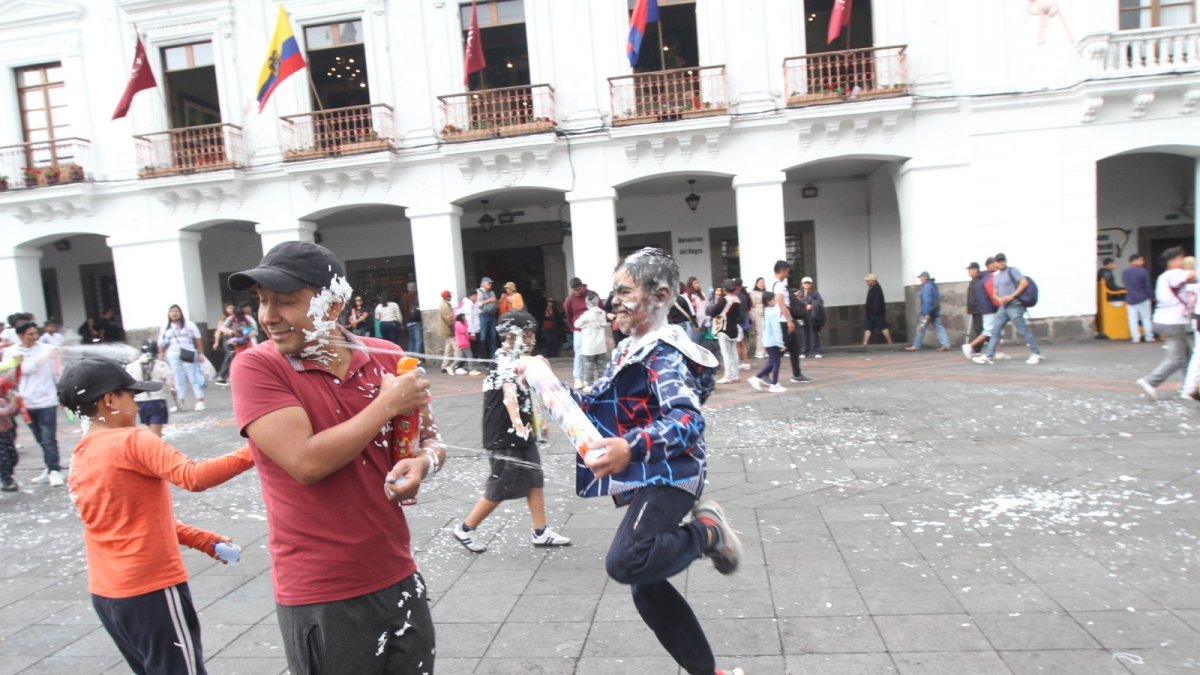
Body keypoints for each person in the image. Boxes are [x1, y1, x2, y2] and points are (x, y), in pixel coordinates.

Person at [228, 241, 442, 673]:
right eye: (262, 301)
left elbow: (432, 440)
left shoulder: (386, 358)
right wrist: (385, 406)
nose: (268, 316)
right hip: (322, 591)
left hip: (397, 572)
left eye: (285, 302)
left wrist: (421, 464)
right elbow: (306, 463)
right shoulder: (257, 367)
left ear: (333, 305)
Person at [558, 247, 743, 675]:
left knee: (626, 561)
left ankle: (708, 534)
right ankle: (706, 670)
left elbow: (686, 419)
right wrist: (545, 386)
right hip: (652, 473)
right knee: (645, 586)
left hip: (674, 474)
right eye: (613, 291)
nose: (612, 302)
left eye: (624, 292)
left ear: (659, 296)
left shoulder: (664, 351)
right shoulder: (630, 347)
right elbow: (593, 400)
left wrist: (630, 447)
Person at [58, 356, 252, 675]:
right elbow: (194, 476)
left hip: (109, 596)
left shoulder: (82, 453)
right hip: (150, 589)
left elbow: (128, 521)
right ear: (109, 400)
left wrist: (202, 540)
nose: (136, 405)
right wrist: (257, 449)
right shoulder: (133, 439)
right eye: (131, 397)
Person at [452, 310, 571, 553]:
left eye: (532, 335)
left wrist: (538, 421)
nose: (531, 340)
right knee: (502, 484)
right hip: (504, 435)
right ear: (510, 336)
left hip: (521, 433)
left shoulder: (517, 359)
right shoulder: (504, 362)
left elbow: (527, 393)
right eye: (526, 335)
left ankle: (541, 531)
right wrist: (519, 424)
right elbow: (509, 398)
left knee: (534, 479)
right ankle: (466, 528)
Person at [2, 322, 63, 486]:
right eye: (30, 334)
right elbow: (17, 372)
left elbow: (57, 372)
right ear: (21, 335)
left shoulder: (46, 348)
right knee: (40, 438)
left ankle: (54, 470)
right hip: (24, 402)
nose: (34, 337)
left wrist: (61, 392)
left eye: (36, 333)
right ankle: (49, 467)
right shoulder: (11, 352)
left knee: (48, 437)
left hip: (47, 400)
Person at [1136, 247, 1197, 400]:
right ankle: (1150, 381)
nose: (1183, 262)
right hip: (1172, 322)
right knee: (1176, 359)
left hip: (1163, 320)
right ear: (1174, 260)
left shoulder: (1163, 276)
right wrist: (1192, 268)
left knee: (1187, 355)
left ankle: (1188, 388)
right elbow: (1191, 275)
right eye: (1181, 259)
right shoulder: (1174, 274)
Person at [974, 253, 1045, 365]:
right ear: (995, 263)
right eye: (999, 261)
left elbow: (1024, 282)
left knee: (1023, 330)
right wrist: (999, 299)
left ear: (1006, 261)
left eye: (1003, 260)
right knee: (995, 330)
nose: (1001, 262)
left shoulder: (1013, 271)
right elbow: (995, 292)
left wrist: (1012, 296)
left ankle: (1036, 353)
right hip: (1004, 306)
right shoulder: (996, 277)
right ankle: (988, 356)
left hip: (1015, 305)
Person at [158, 305, 208, 412]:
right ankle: (180, 402)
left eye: (176, 311)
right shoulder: (165, 327)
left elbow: (198, 339)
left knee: (193, 377)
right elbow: (161, 345)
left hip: (188, 353)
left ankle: (200, 401)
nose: (174, 313)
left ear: (180, 313)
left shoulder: (189, 324)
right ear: (168, 314)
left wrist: (200, 354)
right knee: (177, 378)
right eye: (172, 311)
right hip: (172, 355)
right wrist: (161, 358)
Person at [771, 261, 811, 383]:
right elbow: (781, 303)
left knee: (794, 347)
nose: (788, 274)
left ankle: (797, 374)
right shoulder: (778, 285)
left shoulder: (777, 284)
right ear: (782, 270)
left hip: (783, 319)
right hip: (783, 320)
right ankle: (764, 373)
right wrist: (789, 321)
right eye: (787, 271)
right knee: (782, 348)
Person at [126, 341, 175, 437]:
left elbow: (127, 385)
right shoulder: (161, 365)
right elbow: (171, 384)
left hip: (140, 402)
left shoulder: (131, 366)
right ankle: (155, 450)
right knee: (156, 435)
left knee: (152, 430)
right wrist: (176, 398)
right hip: (157, 401)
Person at [962, 258, 1007, 359]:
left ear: (974, 269)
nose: (969, 272)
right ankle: (995, 350)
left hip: (980, 309)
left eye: (969, 270)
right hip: (981, 308)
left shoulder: (980, 279)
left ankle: (976, 348)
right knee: (988, 331)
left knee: (985, 330)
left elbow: (977, 296)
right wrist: (969, 307)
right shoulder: (978, 279)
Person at [747, 291, 786, 393]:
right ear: (768, 301)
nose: (775, 301)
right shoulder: (772, 312)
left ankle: (757, 378)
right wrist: (780, 343)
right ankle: (774, 384)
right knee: (776, 362)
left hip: (768, 341)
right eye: (773, 299)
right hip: (773, 341)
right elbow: (776, 329)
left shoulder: (766, 311)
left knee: (773, 361)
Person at [708, 279, 743, 383]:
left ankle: (728, 375)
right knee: (733, 352)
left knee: (725, 353)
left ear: (724, 289)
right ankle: (736, 374)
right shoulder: (737, 299)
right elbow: (739, 316)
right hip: (734, 329)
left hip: (724, 328)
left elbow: (714, 312)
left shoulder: (724, 300)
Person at [906, 271, 951, 351]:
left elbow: (927, 301)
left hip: (927, 312)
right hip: (934, 311)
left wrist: (926, 313)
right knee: (939, 327)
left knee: (921, 327)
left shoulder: (926, 287)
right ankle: (946, 344)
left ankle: (917, 345)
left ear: (925, 277)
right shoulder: (933, 286)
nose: (920, 279)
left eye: (921, 277)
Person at [575, 291, 609, 391]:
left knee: (588, 366)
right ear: (597, 301)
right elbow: (603, 325)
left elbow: (576, 324)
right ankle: (602, 384)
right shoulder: (602, 313)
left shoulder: (587, 314)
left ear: (587, 303)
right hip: (601, 345)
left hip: (588, 345)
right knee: (601, 366)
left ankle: (590, 385)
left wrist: (585, 325)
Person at [1122, 254, 1155, 343]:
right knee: (1146, 318)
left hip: (1130, 299)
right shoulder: (1143, 271)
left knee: (1132, 319)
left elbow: (1126, 285)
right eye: (1141, 260)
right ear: (1135, 260)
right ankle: (1148, 336)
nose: (1143, 262)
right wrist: (1150, 296)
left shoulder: (1125, 272)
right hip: (1143, 298)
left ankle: (1135, 337)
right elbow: (1147, 286)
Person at [563, 277, 590, 388]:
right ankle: (578, 378)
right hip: (578, 330)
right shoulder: (570, 300)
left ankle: (587, 379)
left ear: (582, 286)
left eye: (579, 289)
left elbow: (601, 308)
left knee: (589, 355)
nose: (577, 292)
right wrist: (572, 327)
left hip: (591, 329)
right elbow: (569, 315)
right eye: (574, 290)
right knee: (579, 353)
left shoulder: (591, 295)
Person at [797, 276, 825, 358]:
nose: (807, 284)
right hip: (803, 316)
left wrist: (812, 305)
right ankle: (805, 352)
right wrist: (804, 307)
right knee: (804, 334)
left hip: (812, 316)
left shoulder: (815, 293)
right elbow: (796, 304)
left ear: (811, 284)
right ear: (802, 284)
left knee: (814, 333)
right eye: (805, 283)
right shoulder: (800, 294)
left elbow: (820, 302)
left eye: (808, 283)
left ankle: (817, 351)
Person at [862, 273, 894, 345]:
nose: (866, 282)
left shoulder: (876, 289)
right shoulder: (873, 288)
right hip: (871, 313)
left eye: (868, 280)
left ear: (873, 281)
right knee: (868, 328)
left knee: (883, 327)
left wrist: (874, 312)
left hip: (876, 313)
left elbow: (877, 302)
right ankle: (865, 343)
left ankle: (890, 342)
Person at [0, 377, 19, 492]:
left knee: (13, 455)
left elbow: (12, 413)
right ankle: (6, 479)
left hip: (7, 432)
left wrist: (17, 404)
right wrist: (14, 402)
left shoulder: (3, 400)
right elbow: (4, 412)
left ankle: (7, 474)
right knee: (4, 458)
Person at [457, 288, 483, 373]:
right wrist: (472, 333)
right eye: (475, 296)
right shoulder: (468, 305)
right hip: (471, 331)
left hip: (473, 330)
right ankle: (465, 367)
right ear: (470, 296)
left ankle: (458, 366)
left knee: (467, 352)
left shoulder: (471, 304)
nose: (476, 297)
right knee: (470, 351)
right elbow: (469, 319)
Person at [438, 290, 460, 375]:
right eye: (450, 295)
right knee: (456, 348)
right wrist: (455, 324)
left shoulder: (444, 305)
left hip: (446, 330)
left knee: (448, 348)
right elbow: (450, 319)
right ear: (447, 297)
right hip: (449, 330)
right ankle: (456, 365)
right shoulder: (445, 306)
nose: (451, 297)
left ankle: (445, 366)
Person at [477, 276, 499, 357]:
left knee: (493, 336)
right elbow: (478, 305)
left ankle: (493, 355)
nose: (490, 284)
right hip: (483, 316)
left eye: (491, 283)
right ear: (483, 284)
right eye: (488, 283)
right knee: (483, 336)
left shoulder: (492, 292)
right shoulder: (478, 292)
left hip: (492, 316)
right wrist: (489, 300)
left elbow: (495, 302)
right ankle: (483, 356)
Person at [400, 281, 423, 358]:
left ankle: (409, 357)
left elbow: (402, 310)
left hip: (408, 321)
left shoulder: (404, 297)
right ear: (415, 288)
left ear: (407, 288)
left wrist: (403, 322)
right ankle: (416, 357)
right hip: (416, 320)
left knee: (411, 339)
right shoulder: (417, 295)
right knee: (418, 340)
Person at [749, 277, 767, 359]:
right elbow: (751, 306)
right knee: (760, 333)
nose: (762, 284)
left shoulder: (765, 293)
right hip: (758, 315)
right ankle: (759, 351)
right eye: (760, 282)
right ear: (756, 284)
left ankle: (765, 351)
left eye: (763, 282)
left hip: (766, 315)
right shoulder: (753, 293)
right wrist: (752, 316)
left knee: (765, 333)